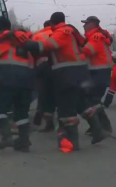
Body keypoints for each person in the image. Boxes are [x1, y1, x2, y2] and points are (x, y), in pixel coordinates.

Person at [22, 12, 106, 153]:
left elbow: (47, 46)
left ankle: (73, 142)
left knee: (66, 109)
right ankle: (98, 130)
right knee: (81, 104)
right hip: (79, 74)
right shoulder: (70, 32)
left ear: (53, 23)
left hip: (67, 76)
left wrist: (27, 44)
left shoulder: (62, 32)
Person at [0, 17, 36, 152]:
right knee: (21, 113)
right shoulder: (22, 42)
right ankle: (24, 141)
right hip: (26, 82)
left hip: (8, 81)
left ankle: (6, 137)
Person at [80, 16, 114, 135]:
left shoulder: (95, 37)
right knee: (92, 99)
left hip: (99, 72)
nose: (84, 26)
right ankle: (98, 126)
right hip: (98, 71)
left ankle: (104, 126)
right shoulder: (96, 36)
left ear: (92, 24)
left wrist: (74, 49)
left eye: (86, 23)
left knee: (93, 100)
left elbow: (87, 51)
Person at [31, 21, 56, 133]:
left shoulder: (37, 35)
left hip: (40, 66)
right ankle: (54, 123)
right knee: (54, 93)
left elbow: (32, 52)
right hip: (55, 66)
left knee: (42, 92)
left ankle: (41, 111)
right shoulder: (56, 33)